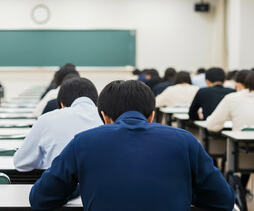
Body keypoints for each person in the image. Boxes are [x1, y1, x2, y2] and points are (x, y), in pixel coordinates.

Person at [29, 80, 235, 211]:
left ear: (104, 117)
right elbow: (223, 199)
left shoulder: (82, 142)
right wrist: (184, 192)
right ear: (152, 116)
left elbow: (40, 199)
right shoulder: (186, 140)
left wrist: (76, 187)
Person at [14, 77, 102, 171]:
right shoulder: (108, 119)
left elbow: (20, 162)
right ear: (96, 101)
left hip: (59, 184)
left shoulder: (46, 119)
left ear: (61, 104)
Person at [206, 70, 254, 191]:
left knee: (230, 158)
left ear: (237, 84)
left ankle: (233, 192)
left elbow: (212, 125)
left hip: (243, 152)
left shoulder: (232, 98)